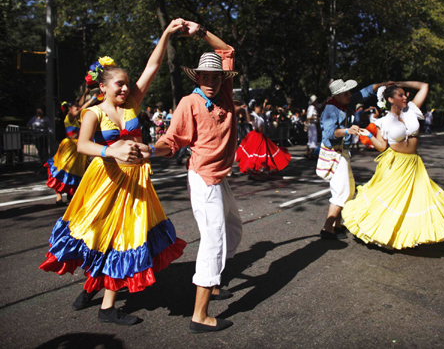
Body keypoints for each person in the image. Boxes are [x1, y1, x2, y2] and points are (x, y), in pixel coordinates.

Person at [39, 19, 191, 326]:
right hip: (104, 181)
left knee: (122, 237)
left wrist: (165, 34)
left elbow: (154, 64)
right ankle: (98, 295)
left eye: (127, 82)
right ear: (103, 87)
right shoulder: (92, 112)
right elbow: (82, 145)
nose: (125, 87)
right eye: (118, 84)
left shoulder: (133, 103)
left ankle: (98, 296)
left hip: (134, 182)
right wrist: (112, 150)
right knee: (99, 236)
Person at [146, 25, 242, 333]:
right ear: (197, 77)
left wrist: (199, 31)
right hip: (203, 178)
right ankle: (200, 314)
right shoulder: (189, 103)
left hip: (220, 177)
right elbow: (172, 141)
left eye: (215, 76)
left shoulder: (225, 93)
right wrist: (147, 150)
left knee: (233, 230)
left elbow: (226, 50)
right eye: (205, 76)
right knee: (213, 241)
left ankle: (211, 283)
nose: (211, 81)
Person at [342, 82, 444, 250]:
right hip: (396, 163)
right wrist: (369, 135)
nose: (405, 96)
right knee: (393, 201)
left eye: (405, 94)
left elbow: (424, 86)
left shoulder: (411, 110)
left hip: (414, 162)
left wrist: (401, 83)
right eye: (400, 94)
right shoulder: (383, 121)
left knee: (416, 200)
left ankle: (414, 234)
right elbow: (381, 146)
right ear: (391, 99)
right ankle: (384, 235)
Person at [318, 79, 391, 240]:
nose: (350, 95)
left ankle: (337, 225)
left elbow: (364, 92)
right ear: (337, 96)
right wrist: (347, 131)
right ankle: (327, 229)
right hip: (334, 152)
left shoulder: (345, 103)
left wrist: (381, 84)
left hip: (342, 151)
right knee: (342, 190)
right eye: (346, 93)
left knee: (347, 188)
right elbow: (330, 133)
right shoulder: (331, 109)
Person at [44, 96, 98, 205]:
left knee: (76, 172)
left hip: (78, 149)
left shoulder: (79, 119)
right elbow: (81, 108)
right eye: (76, 108)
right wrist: (92, 99)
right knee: (62, 170)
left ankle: (71, 194)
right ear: (69, 109)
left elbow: (79, 107)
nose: (79, 109)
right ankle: (59, 196)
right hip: (68, 148)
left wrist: (86, 91)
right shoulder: (69, 117)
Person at [236, 98, 291, 178]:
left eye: (260, 107)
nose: (260, 109)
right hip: (256, 137)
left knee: (265, 154)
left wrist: (265, 103)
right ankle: (255, 171)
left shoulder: (259, 116)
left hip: (261, 137)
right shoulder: (253, 115)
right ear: (255, 108)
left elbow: (264, 111)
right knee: (257, 155)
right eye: (258, 107)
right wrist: (246, 110)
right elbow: (249, 119)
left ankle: (257, 171)